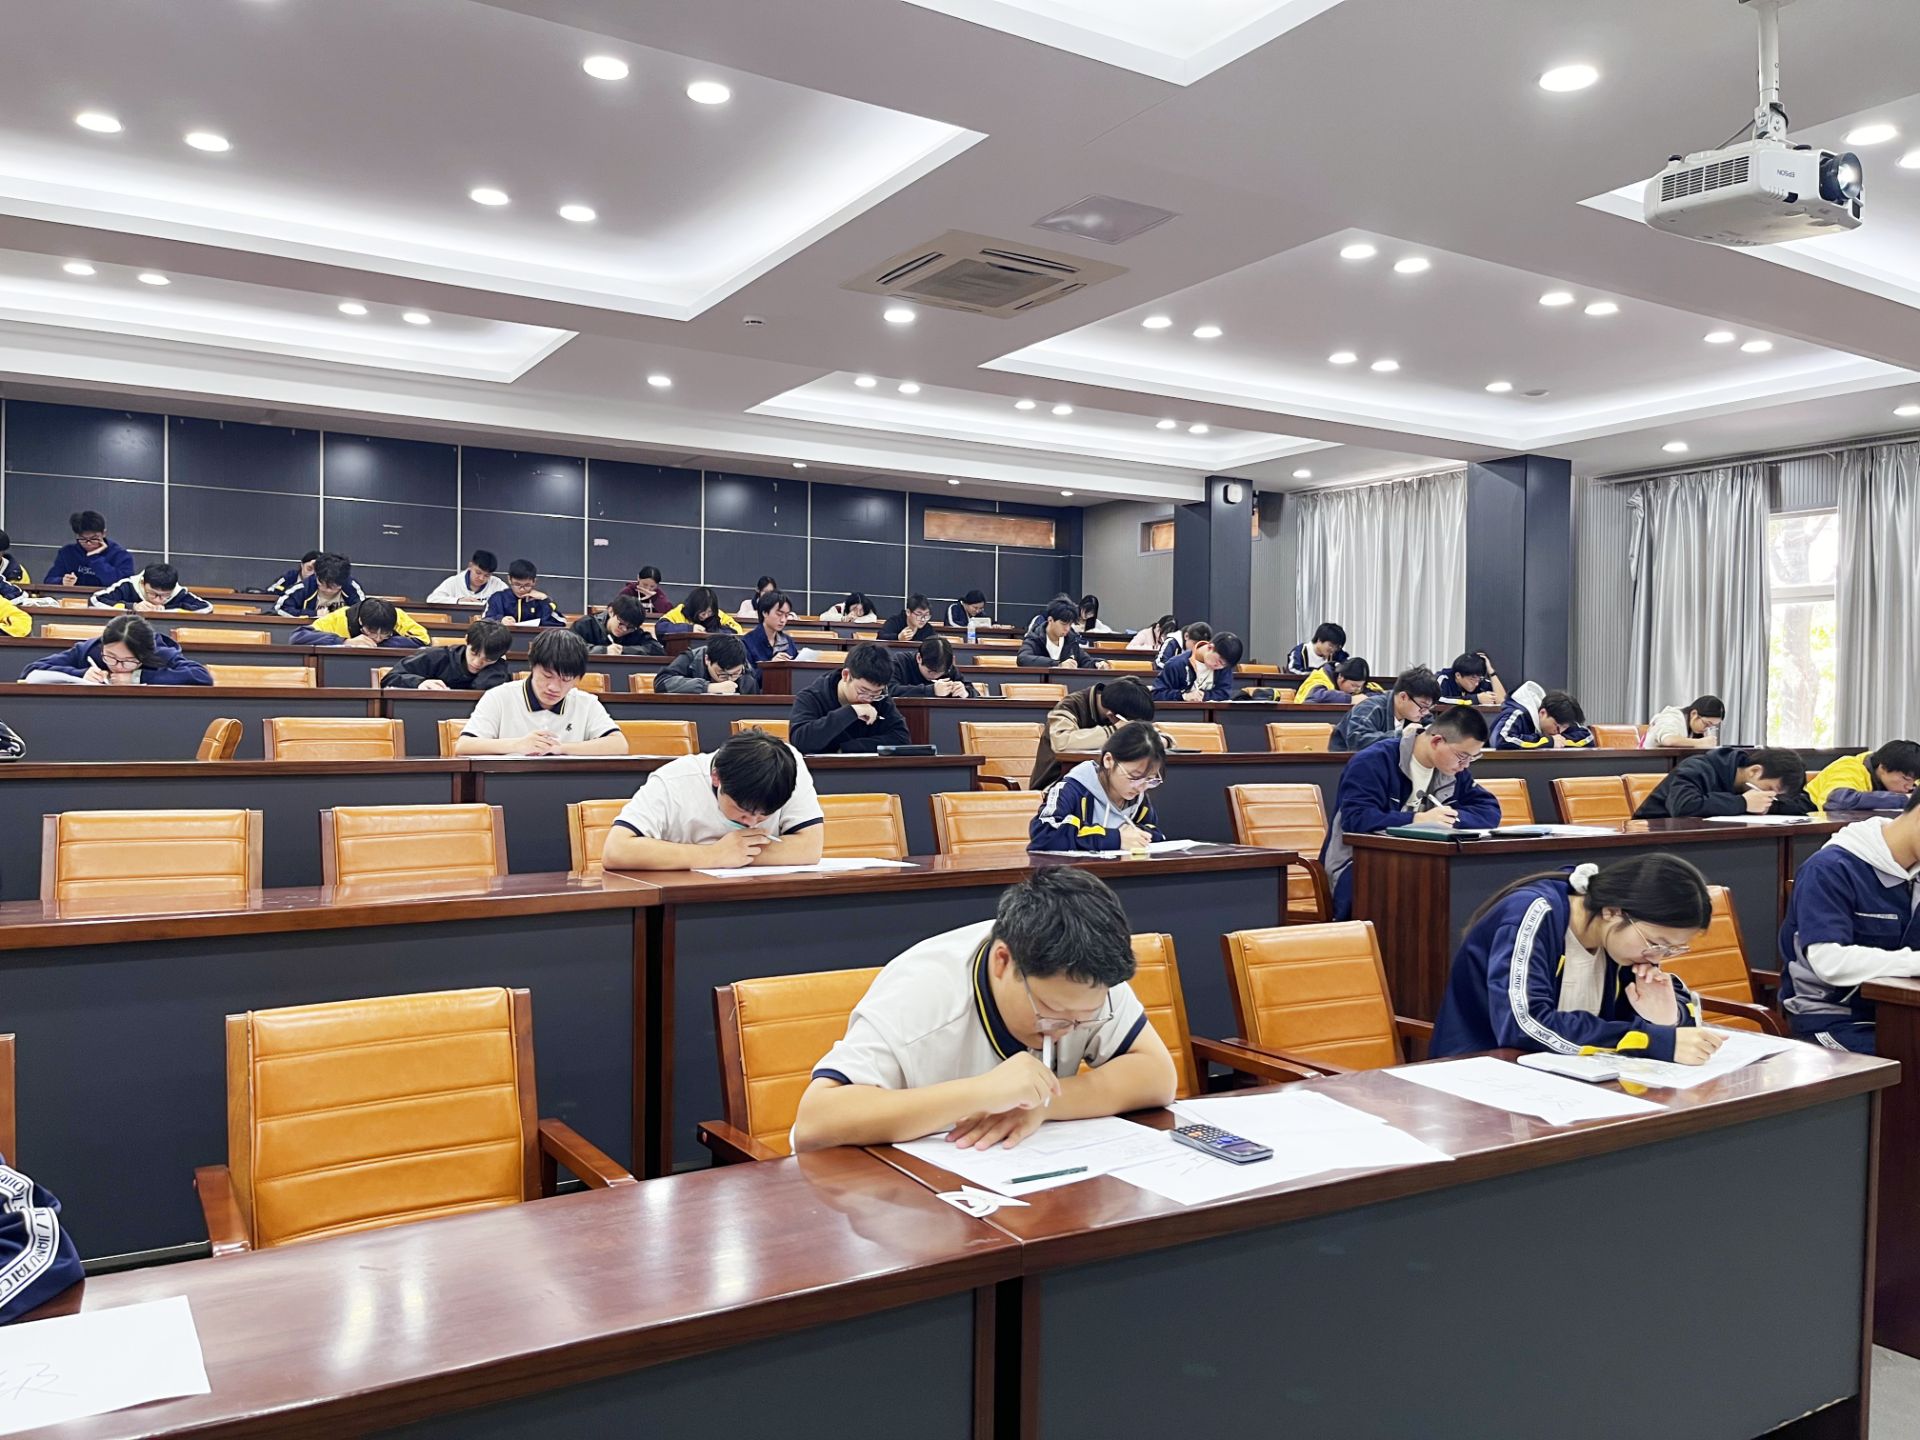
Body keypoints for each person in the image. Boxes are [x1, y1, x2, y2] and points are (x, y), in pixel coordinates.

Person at [792, 868, 1177, 1152]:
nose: (1068, 1029)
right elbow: (816, 1120)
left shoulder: (1089, 975)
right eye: (1052, 1011)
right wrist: (981, 1093)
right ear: (1002, 961)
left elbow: (1157, 1077)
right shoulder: (921, 993)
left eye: (1086, 1019)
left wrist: (1042, 1106)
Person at [1430, 857, 1720, 1064]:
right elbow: (1523, 1025)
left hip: (1569, 1074)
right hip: (1483, 1070)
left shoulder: (1626, 944)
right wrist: (1650, 1040)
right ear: (1612, 911)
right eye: (1657, 943)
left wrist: (1667, 1019)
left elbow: (1676, 1018)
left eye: (1672, 949)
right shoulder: (1532, 913)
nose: (1657, 957)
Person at [1321, 707, 1501, 919]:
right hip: (1359, 865)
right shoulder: (1373, 761)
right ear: (1437, 741)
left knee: (1469, 887)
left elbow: (1489, 810)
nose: (1465, 765)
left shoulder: (1452, 772)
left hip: (1420, 864)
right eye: (1462, 756)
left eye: (1473, 758)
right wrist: (1417, 820)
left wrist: (1450, 820)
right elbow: (1357, 818)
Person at [1777, 791, 1920, 1052]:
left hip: (1900, 1012)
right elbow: (1830, 962)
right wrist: (1914, 963)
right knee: (1908, 1060)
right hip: (1832, 1018)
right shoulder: (1830, 869)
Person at [601, 728, 825, 871]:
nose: (751, 823)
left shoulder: (787, 767)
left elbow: (809, 848)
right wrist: (713, 854)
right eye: (742, 810)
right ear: (716, 777)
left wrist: (738, 854)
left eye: (764, 815)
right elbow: (616, 850)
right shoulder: (673, 780)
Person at [454, 630, 626, 755]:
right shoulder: (499, 697)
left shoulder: (587, 703)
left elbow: (619, 745)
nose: (554, 687)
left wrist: (560, 748)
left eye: (565, 679)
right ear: (532, 666)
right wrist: (517, 745)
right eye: (547, 676)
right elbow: (464, 746)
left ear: (578, 679)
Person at [1030, 721, 1167, 853]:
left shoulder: (1138, 798)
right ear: (1108, 760)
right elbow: (1043, 835)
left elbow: (1154, 832)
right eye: (1134, 776)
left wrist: (1140, 836)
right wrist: (1115, 838)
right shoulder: (1073, 789)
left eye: (1149, 779)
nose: (1140, 787)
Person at [1030, 676, 1157, 789]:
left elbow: (1153, 736)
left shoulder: (1122, 709)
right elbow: (1062, 742)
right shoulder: (1069, 706)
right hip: (1056, 784)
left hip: (1102, 782)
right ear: (1111, 716)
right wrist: (1113, 730)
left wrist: (1160, 740)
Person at [22, 613, 212, 686]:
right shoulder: (90, 650)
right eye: (111, 657)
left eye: (128, 661)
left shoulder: (158, 652)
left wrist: (137, 677)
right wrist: (81, 673)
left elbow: (201, 676)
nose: (117, 666)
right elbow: (31, 671)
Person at [789, 643, 910, 754]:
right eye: (863, 691)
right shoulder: (811, 697)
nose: (868, 699)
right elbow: (801, 742)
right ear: (846, 675)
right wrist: (850, 712)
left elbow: (902, 738)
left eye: (876, 693)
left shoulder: (880, 698)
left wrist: (847, 748)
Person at [1633, 746, 1812, 818]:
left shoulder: (1760, 782)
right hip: (1654, 841)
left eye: (1775, 795)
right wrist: (1742, 803)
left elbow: (1804, 804)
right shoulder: (1697, 767)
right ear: (1754, 771)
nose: (1770, 796)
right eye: (1770, 789)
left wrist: (1768, 805)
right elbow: (1684, 806)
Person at [380, 619, 513, 690]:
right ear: (467, 640)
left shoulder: (497, 667)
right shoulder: (436, 656)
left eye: (487, 659)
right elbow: (390, 678)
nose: (477, 663)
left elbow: (483, 689)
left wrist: (497, 665)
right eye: (474, 653)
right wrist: (419, 683)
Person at [1331, 666, 1441, 751]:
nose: (1425, 712)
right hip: (1347, 765)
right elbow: (1358, 741)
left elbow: (1433, 729)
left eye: (1429, 708)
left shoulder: (1419, 712)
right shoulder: (1370, 708)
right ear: (1403, 697)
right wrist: (1402, 735)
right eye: (1423, 706)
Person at [1806, 740, 1920, 812]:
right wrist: (1905, 799)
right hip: (1813, 821)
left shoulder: (1907, 773)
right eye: (1906, 779)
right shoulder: (1849, 767)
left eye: (1914, 780)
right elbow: (1838, 801)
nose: (1909, 787)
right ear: (1883, 767)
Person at [1488, 682, 1596, 750]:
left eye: (1564, 728)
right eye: (1556, 726)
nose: (1559, 732)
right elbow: (1501, 740)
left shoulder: (1560, 718)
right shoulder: (1516, 713)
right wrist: (1547, 741)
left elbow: (1588, 738)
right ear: (1543, 713)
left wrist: (1560, 741)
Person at [291, 596, 429, 648]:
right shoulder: (340, 617)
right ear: (361, 621)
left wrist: (379, 644)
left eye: (385, 633)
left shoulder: (397, 615)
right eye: (372, 632)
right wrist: (344, 642)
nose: (378, 638)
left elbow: (423, 640)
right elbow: (298, 636)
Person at [44, 510, 136, 589]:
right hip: (73, 599)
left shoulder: (120, 555)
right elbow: (49, 581)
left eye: (94, 538)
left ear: (104, 533)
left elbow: (125, 586)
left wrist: (95, 558)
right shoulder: (67, 553)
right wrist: (62, 581)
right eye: (83, 539)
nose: (88, 543)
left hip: (108, 601)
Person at [655, 631, 758, 694]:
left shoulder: (745, 672)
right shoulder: (690, 659)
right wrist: (707, 687)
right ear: (707, 659)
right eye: (722, 674)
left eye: (735, 674)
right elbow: (662, 683)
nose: (729, 679)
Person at [89, 562, 213, 614]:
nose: (158, 600)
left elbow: (206, 608)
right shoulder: (128, 585)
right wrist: (132, 607)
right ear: (143, 583)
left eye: (165, 596)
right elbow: (95, 601)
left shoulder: (179, 592)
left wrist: (167, 610)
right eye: (153, 594)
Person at [1020, 598, 1108, 669]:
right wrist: (1058, 664)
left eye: (1070, 624)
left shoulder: (1071, 640)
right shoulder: (1034, 638)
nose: (1067, 629)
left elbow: (1085, 661)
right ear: (1050, 620)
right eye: (1063, 624)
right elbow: (1023, 659)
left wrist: (1097, 663)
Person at [1152, 630, 1240, 700]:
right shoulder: (1177, 664)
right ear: (1210, 647)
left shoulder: (1223, 667)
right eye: (1219, 661)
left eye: (1224, 666)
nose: (1220, 667)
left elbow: (1224, 693)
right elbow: (1156, 694)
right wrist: (1183, 696)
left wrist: (1204, 696)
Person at [273, 553, 364, 617]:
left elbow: (363, 610)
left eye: (334, 587)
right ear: (316, 576)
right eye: (325, 585)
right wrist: (314, 614)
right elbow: (280, 608)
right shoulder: (304, 587)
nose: (329, 590)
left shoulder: (351, 586)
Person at [569, 594, 664, 655]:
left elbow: (657, 649)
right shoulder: (585, 625)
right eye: (621, 623)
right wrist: (604, 651)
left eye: (629, 627)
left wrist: (623, 650)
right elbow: (569, 649)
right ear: (611, 611)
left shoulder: (635, 631)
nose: (624, 629)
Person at [484, 559, 566, 628]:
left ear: (534, 581)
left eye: (527, 585)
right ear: (509, 579)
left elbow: (561, 622)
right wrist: (500, 620)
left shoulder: (539, 600)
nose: (522, 589)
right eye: (517, 584)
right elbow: (485, 621)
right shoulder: (498, 598)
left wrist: (545, 600)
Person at [889, 634, 976, 698]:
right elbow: (889, 690)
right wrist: (931, 690)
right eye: (930, 671)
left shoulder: (947, 667)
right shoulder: (901, 662)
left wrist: (966, 692)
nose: (935, 676)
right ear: (919, 658)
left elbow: (974, 692)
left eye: (940, 673)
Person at [741, 588, 797, 673]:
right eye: (779, 614)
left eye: (786, 615)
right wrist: (770, 666)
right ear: (765, 613)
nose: (783, 620)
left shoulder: (788, 641)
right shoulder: (747, 642)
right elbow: (748, 677)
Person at [426, 550, 506, 608]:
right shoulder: (454, 581)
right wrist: (458, 601)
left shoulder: (497, 584)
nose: (481, 578)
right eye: (478, 573)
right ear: (470, 566)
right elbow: (432, 599)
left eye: (487, 575)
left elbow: (511, 602)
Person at [1642, 695, 1725, 750]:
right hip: (1652, 761)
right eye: (1707, 724)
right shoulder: (1673, 716)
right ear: (1694, 714)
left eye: (1712, 726)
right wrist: (1701, 742)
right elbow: (1668, 740)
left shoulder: (1699, 728)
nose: (1707, 729)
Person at [656, 586, 745, 636]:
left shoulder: (717, 614)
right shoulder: (680, 611)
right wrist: (690, 629)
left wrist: (713, 632)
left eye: (709, 612)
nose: (706, 616)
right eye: (702, 613)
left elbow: (737, 630)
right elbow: (660, 627)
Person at [1437, 651, 1507, 707]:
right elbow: (1438, 700)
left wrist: (1491, 672)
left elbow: (1503, 701)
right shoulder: (1444, 679)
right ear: (1458, 675)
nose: (1477, 683)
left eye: (1479, 678)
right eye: (1472, 679)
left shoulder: (1480, 681)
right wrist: (1476, 699)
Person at [1296, 656, 1374, 705]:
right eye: (1353, 685)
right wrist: (1350, 699)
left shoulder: (1359, 686)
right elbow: (1314, 697)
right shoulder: (1319, 677)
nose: (1358, 690)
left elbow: (1378, 694)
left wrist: (1365, 697)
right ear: (1341, 677)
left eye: (1360, 686)